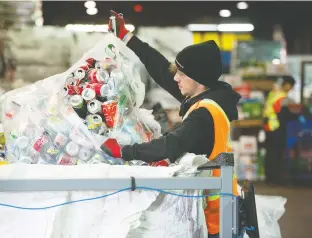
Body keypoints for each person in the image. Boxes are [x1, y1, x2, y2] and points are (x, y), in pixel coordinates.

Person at [101, 11, 241, 238]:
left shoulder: (204, 113)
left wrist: (125, 151)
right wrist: (127, 37)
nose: (176, 79)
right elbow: (161, 70)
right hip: (215, 204)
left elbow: (170, 145)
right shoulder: (206, 95)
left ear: (199, 79)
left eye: (182, 74)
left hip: (215, 217)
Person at [263, 75, 299, 185]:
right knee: (276, 153)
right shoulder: (281, 97)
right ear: (287, 85)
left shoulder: (273, 94)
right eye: (291, 86)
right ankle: (274, 179)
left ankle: (269, 177)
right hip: (276, 127)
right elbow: (285, 114)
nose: (291, 88)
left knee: (270, 153)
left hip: (269, 126)